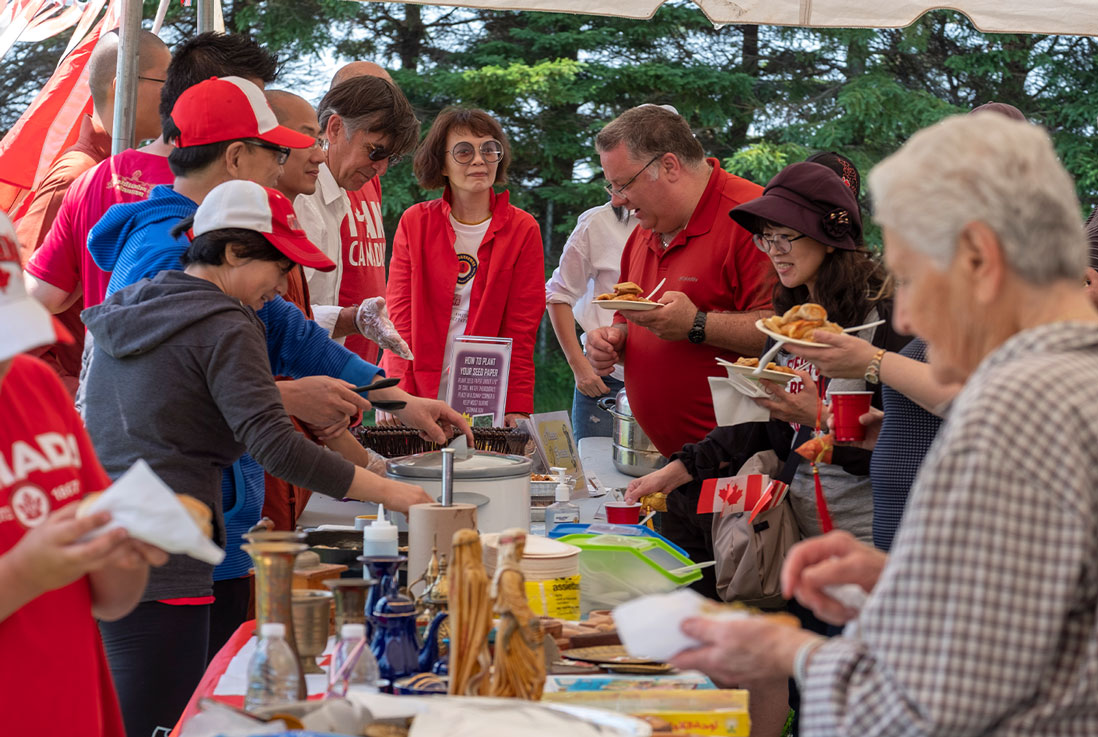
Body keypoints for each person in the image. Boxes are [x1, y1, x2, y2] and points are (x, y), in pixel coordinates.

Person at [671, 112, 1098, 736]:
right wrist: (904, 580)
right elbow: (1036, 617)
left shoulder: (1018, 404)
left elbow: (937, 706)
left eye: (918, 280)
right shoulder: (1069, 375)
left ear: (980, 256)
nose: (913, 316)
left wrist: (786, 654)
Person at [81, 181, 434, 737]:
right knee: (165, 718)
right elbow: (275, 444)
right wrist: (393, 492)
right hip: (169, 550)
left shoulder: (140, 303)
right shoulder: (226, 322)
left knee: (133, 713)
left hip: (108, 538)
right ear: (231, 252)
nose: (284, 284)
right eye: (279, 264)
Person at [584, 105, 774, 577]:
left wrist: (698, 326)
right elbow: (633, 319)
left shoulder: (751, 218)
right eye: (611, 186)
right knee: (679, 602)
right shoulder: (644, 233)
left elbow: (782, 331)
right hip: (671, 467)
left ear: (668, 165)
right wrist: (612, 340)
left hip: (738, 467)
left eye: (624, 183)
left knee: (731, 603)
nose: (618, 199)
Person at [0, 213, 167, 736]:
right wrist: (25, 573)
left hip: (75, 708)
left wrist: (125, 555)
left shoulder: (34, 384)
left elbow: (109, 598)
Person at [24, 32, 278, 314]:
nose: (262, 126)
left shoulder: (93, 178)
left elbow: (42, 296)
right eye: (251, 106)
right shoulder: (218, 192)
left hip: (106, 354)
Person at [15, 29, 170, 394]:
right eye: (165, 82)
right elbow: (17, 307)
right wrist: (68, 391)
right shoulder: (81, 175)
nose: (173, 97)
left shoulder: (127, 174)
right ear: (122, 86)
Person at [383, 107, 545, 425]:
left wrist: (517, 404)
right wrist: (394, 392)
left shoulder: (523, 229)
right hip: (416, 389)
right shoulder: (415, 222)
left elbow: (522, 330)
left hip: (484, 394)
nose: (479, 159)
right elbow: (398, 317)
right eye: (463, 151)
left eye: (489, 148)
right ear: (441, 163)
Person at [295, 74, 419, 362]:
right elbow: (280, 314)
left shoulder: (336, 194)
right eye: (376, 151)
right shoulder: (303, 199)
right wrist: (354, 320)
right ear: (335, 128)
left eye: (393, 158)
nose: (382, 169)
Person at [545, 202, 636, 439]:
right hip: (608, 381)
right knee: (596, 472)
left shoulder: (687, 221)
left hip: (673, 384)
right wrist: (580, 367)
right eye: (612, 186)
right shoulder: (598, 223)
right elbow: (558, 295)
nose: (617, 198)